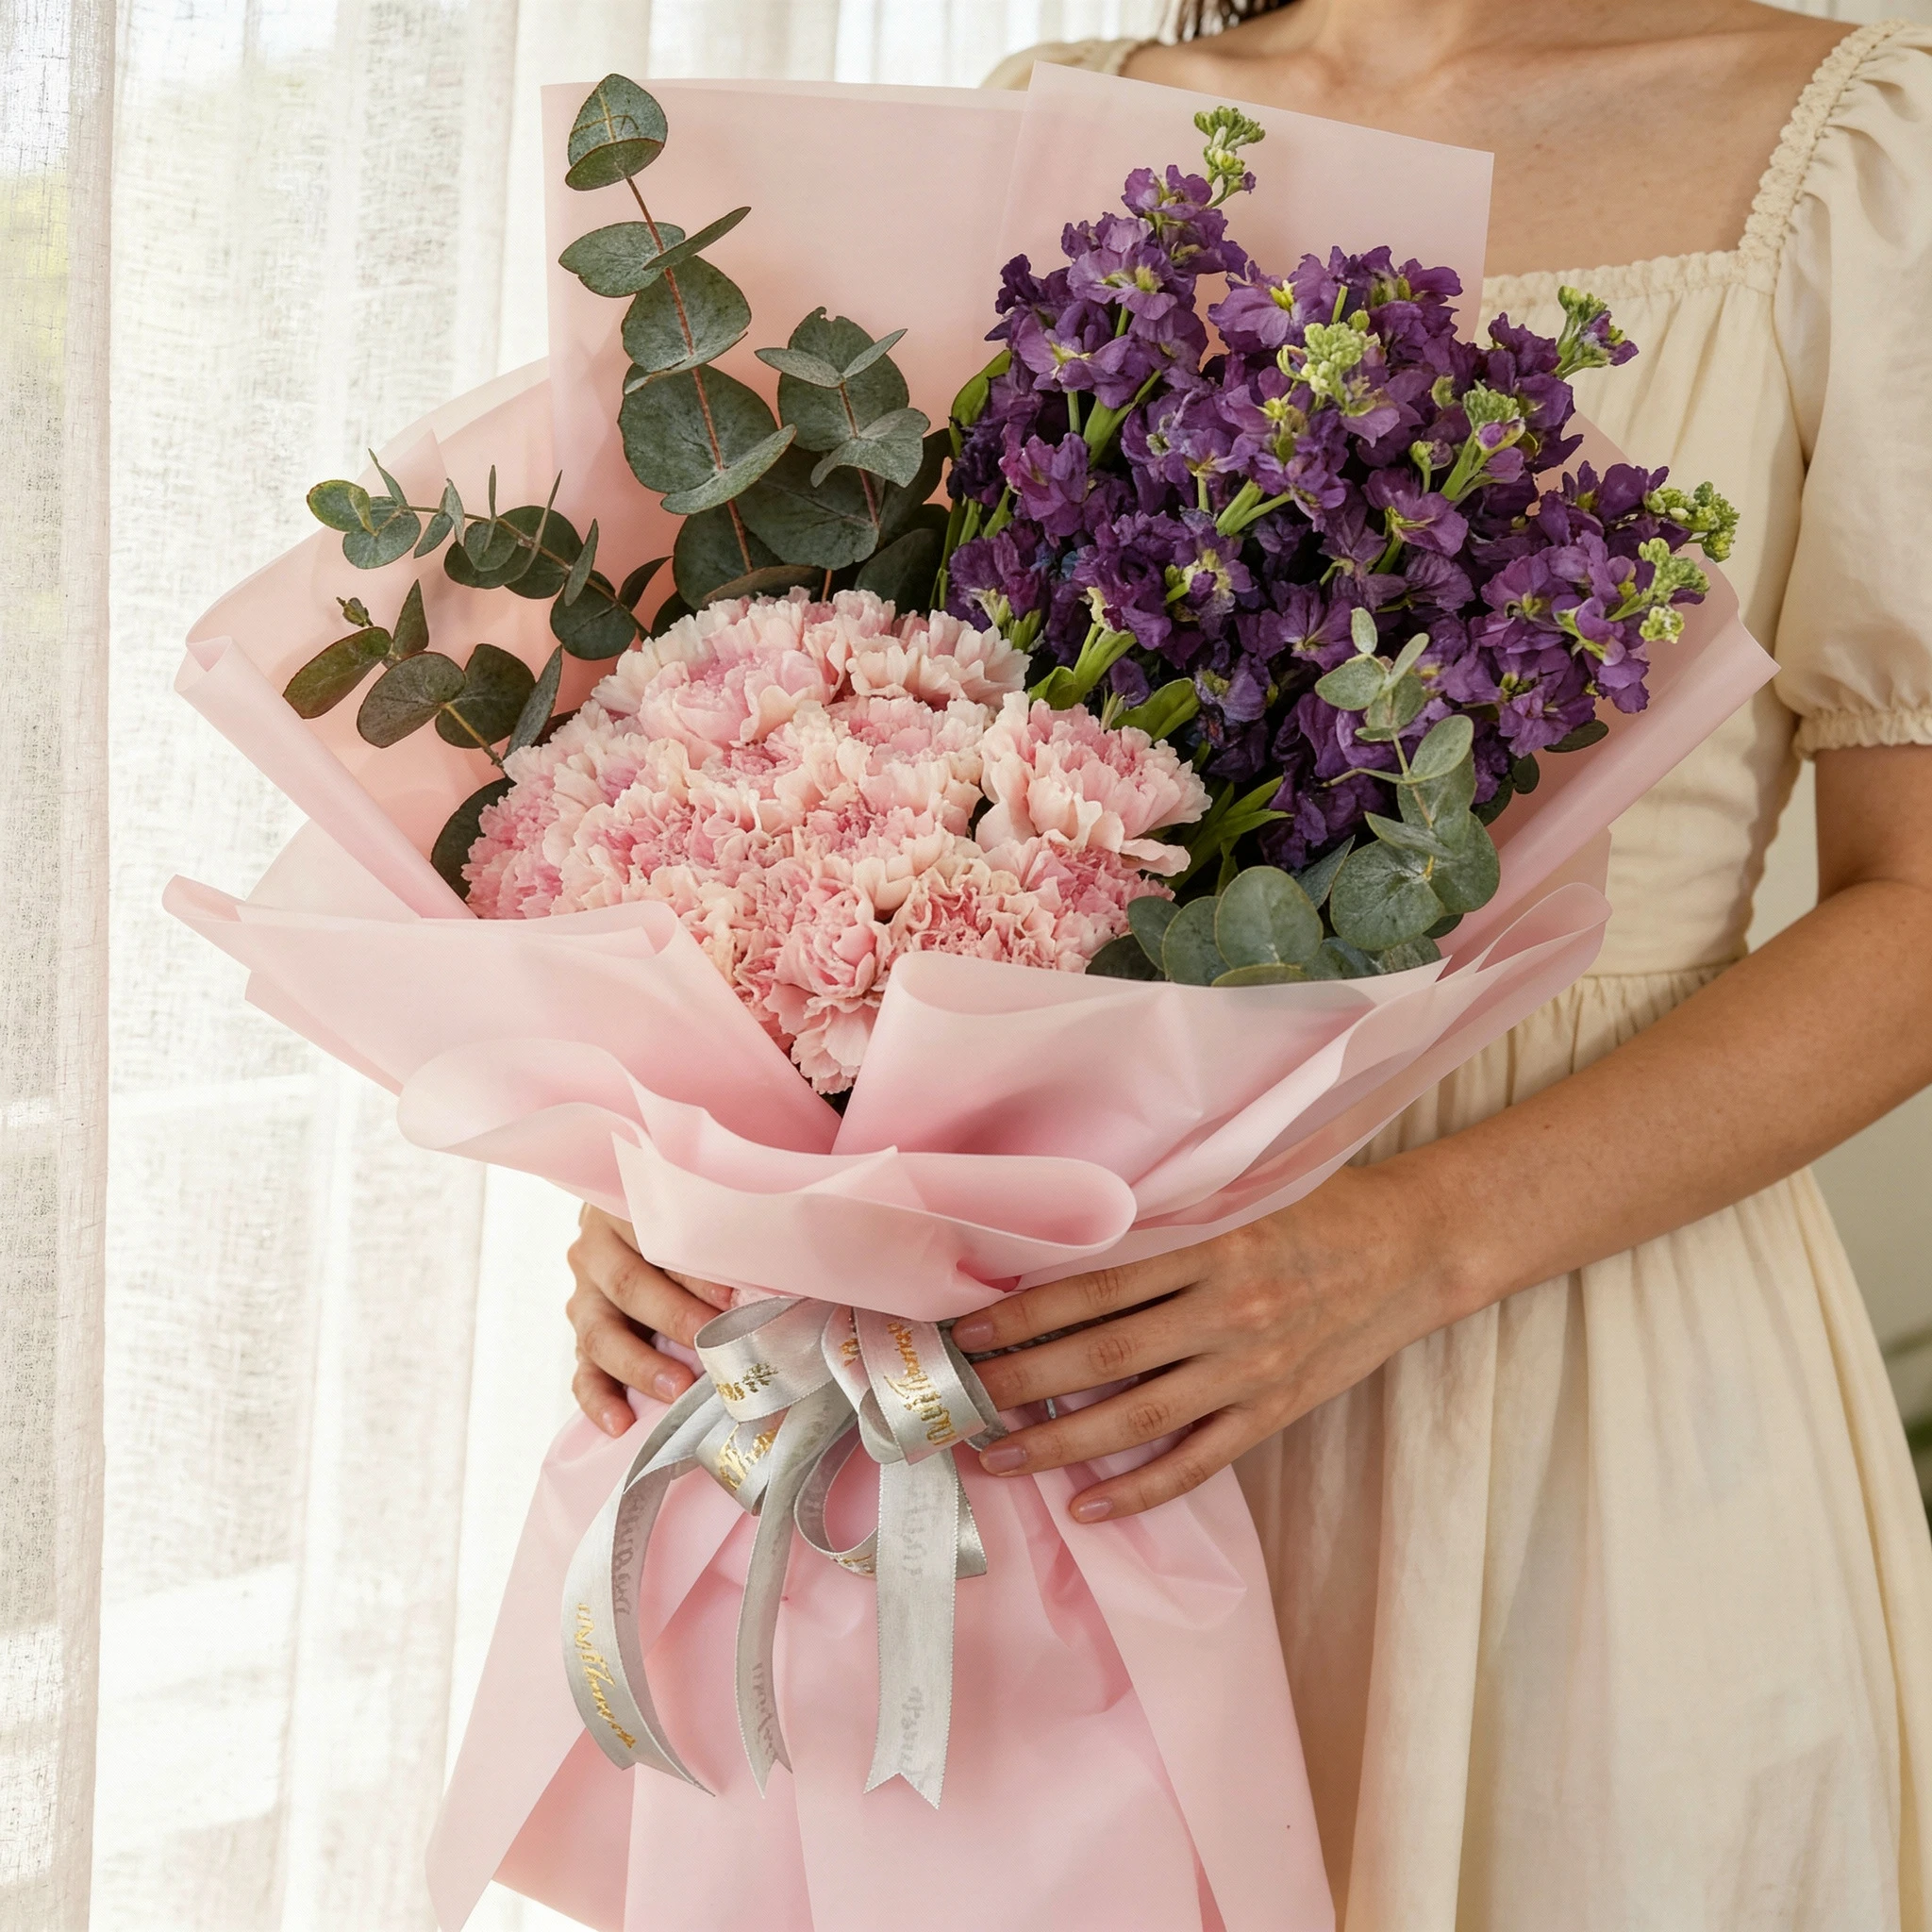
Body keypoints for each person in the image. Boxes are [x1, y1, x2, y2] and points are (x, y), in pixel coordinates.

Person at [564, 3, 1932, 1922]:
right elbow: (897, 757)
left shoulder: (1858, 156)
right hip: (1071, 1422)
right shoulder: (1059, 133)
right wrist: (701, 1197)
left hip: (1573, 1392)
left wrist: (1405, 1245)